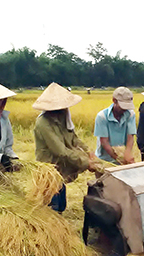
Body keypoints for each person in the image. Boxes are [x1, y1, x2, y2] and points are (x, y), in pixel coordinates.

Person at [33, 82, 101, 213]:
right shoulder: (43, 123)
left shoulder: (63, 117)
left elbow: (74, 138)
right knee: (52, 208)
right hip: (49, 170)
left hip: (61, 170)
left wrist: (89, 152)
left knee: (61, 205)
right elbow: (60, 151)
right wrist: (86, 163)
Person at [94, 87, 137, 164]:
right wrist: (118, 158)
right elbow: (104, 141)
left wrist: (127, 153)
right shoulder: (102, 117)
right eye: (122, 106)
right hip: (105, 160)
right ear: (114, 101)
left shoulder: (130, 114)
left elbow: (130, 137)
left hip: (122, 156)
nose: (125, 109)